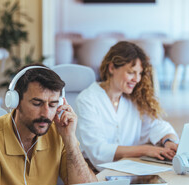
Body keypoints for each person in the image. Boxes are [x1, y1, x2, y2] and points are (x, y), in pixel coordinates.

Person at [75, 41, 179, 171]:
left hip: (127, 169)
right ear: (112, 68)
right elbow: (98, 150)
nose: (137, 79)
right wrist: (145, 150)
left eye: (139, 73)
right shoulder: (87, 100)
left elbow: (157, 126)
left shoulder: (132, 98)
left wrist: (168, 141)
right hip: (94, 173)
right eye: (131, 72)